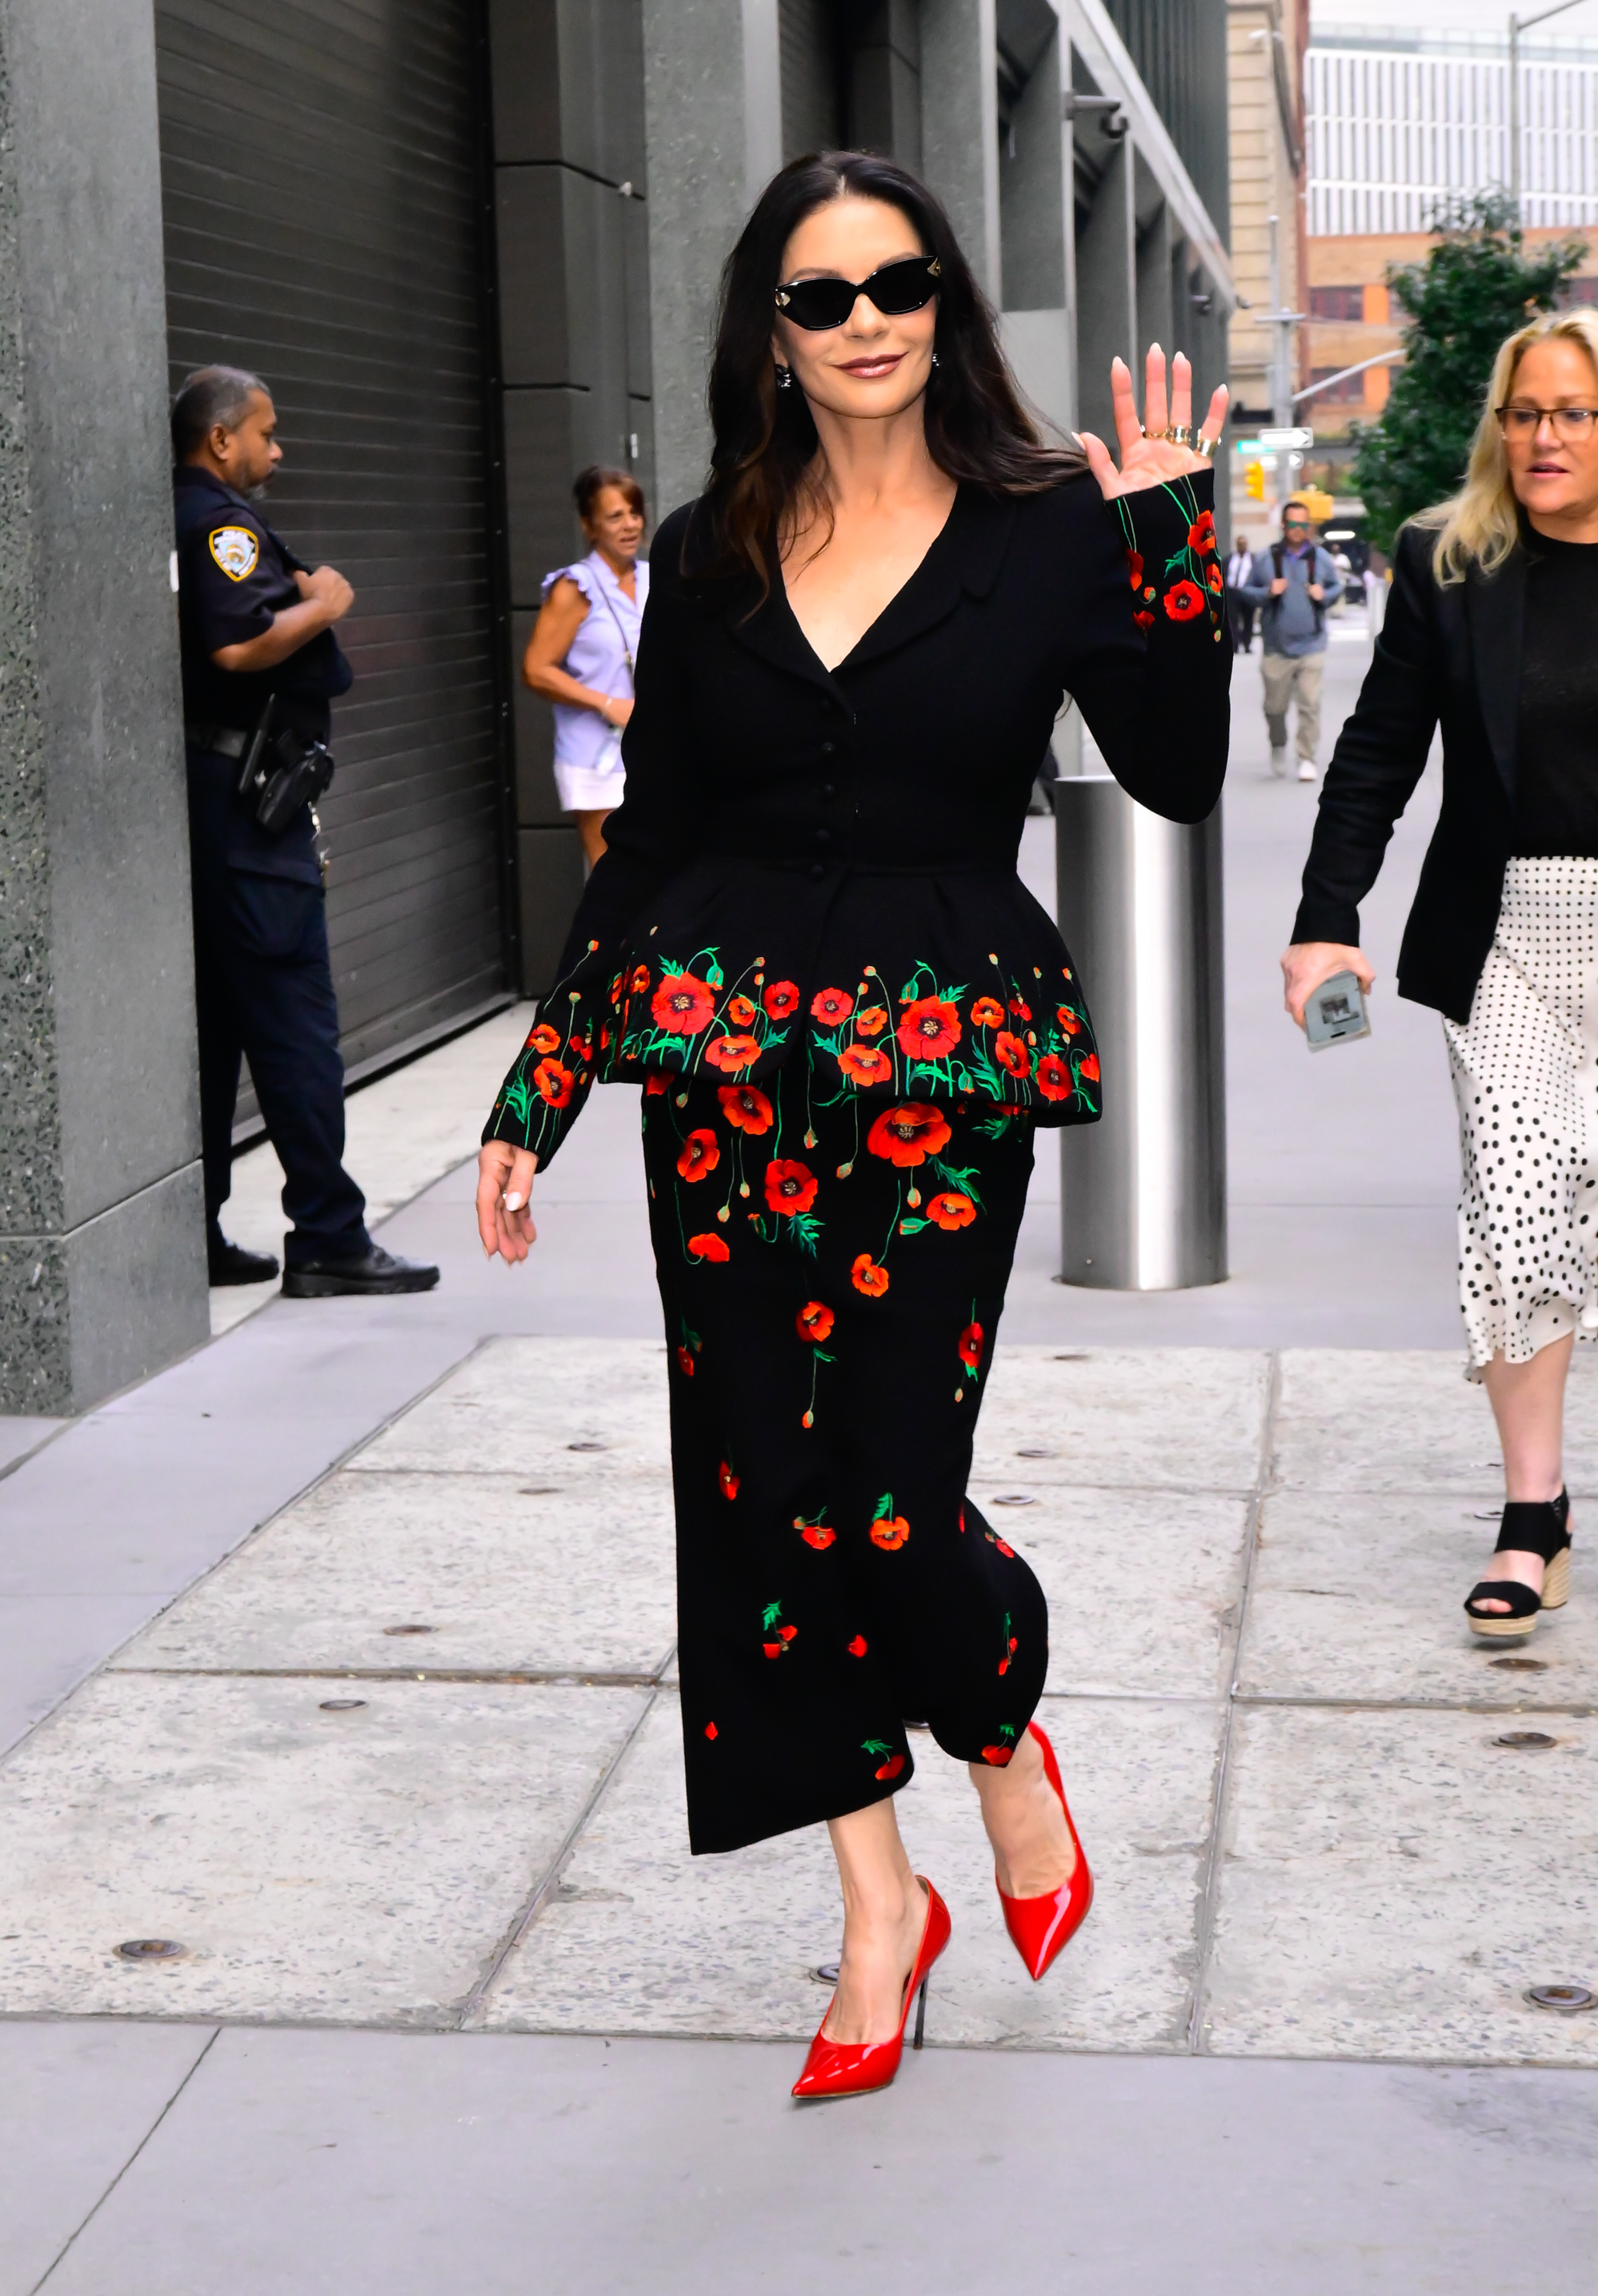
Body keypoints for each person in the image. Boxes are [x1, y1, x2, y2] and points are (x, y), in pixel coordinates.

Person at [476, 152, 1229, 2101]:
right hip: (725, 1076)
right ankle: (874, 1895)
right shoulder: (711, 557)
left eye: (898, 280)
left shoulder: (1049, 526)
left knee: (887, 1485)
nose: (869, 317)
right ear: (774, 335)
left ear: (942, 301)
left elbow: (1175, 765)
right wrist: (535, 1093)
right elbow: (647, 845)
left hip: (941, 1076)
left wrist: (1168, 542)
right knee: (754, 1493)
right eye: (823, 295)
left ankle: (999, 1736)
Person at [1282, 305, 1598, 1641]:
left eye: (1572, 413)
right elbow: (1376, 752)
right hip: (1509, 938)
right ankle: (1532, 1513)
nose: (1543, 437)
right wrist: (1322, 914)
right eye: (1523, 412)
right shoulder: (1447, 563)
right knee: (1521, 1206)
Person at [174, 367, 439, 1298]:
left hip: (219, 812)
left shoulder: (194, 518)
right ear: (220, 440)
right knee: (293, 1023)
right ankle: (328, 1235)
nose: (276, 450)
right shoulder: (219, 527)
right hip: (251, 821)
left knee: (213, 1030)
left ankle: (191, 1233)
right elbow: (239, 645)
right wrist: (324, 602)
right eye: (266, 432)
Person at [523, 467, 649, 868]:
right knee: (612, 873)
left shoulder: (655, 579)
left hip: (652, 749)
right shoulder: (574, 587)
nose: (629, 525)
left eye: (635, 512)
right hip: (597, 756)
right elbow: (536, 669)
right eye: (615, 516)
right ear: (588, 525)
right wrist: (606, 702)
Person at [1247, 497, 1340, 779]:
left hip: (1312, 645)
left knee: (1310, 704)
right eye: (1293, 524)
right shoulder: (1266, 558)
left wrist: (1325, 595)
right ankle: (1278, 744)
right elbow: (1245, 591)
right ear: (1283, 525)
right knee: (1275, 707)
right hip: (1277, 647)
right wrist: (1267, 593)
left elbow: (1337, 586)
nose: (1298, 529)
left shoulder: (1321, 559)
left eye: (1303, 524)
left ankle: (1306, 757)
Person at [1225, 533, 1257, 651]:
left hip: (1247, 592)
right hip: (1232, 592)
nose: (1242, 546)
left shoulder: (1254, 560)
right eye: (1239, 544)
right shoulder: (1229, 559)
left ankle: (1247, 643)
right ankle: (1235, 644)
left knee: (1248, 619)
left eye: (1243, 544)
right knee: (1233, 620)